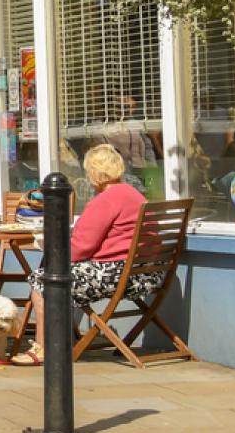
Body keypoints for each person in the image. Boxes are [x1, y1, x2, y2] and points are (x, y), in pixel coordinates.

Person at [13, 145, 157, 367]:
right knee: (53, 274)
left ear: (94, 172)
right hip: (145, 274)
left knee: (42, 279)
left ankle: (43, 347)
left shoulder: (105, 200)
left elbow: (80, 249)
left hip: (116, 276)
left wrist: (47, 245)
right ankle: (62, 339)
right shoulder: (133, 194)